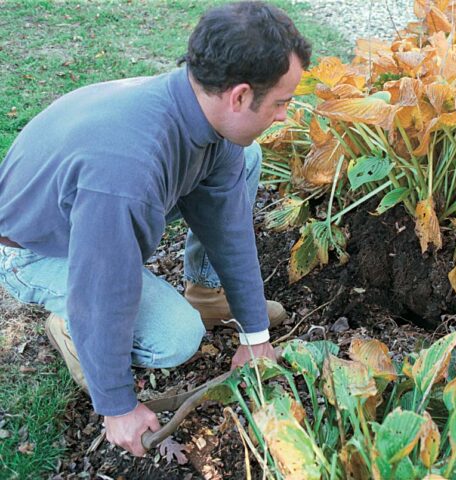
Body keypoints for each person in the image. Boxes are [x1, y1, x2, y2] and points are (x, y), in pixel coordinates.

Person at [0, 1, 310, 457]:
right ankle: (72, 329)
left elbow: (229, 225)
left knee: (246, 158)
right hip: (38, 249)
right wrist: (117, 405)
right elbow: (106, 285)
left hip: (95, 214)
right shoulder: (128, 175)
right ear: (240, 96)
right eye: (281, 103)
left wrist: (254, 336)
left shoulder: (200, 113)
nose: (284, 115)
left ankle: (206, 293)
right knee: (175, 339)